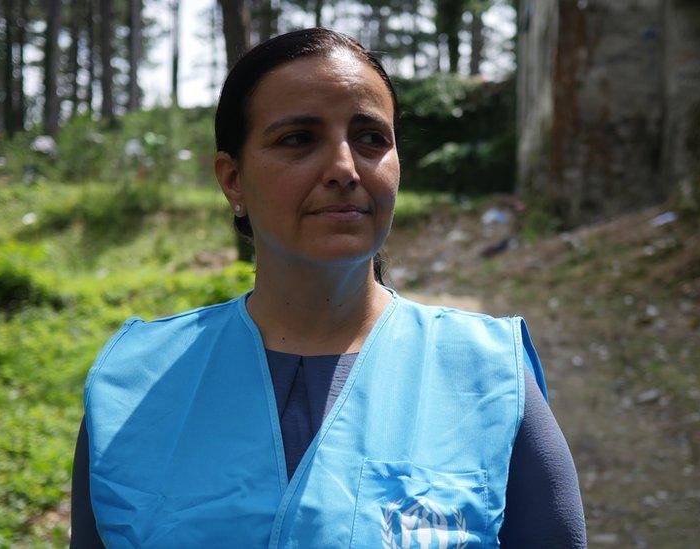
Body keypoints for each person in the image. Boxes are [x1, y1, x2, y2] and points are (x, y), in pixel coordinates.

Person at [70, 28, 586, 548]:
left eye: (370, 138)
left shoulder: (488, 376)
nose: (344, 168)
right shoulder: (133, 383)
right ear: (233, 181)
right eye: (298, 139)